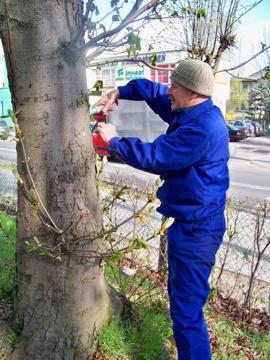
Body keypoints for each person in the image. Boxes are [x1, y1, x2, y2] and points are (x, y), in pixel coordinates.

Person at [94, 59, 230, 360]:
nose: (169, 91)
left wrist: (114, 141)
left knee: (186, 312)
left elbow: (158, 156)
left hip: (197, 230)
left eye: (175, 86)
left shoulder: (203, 127)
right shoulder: (190, 110)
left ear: (191, 91)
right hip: (188, 223)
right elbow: (154, 91)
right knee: (183, 303)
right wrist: (120, 90)